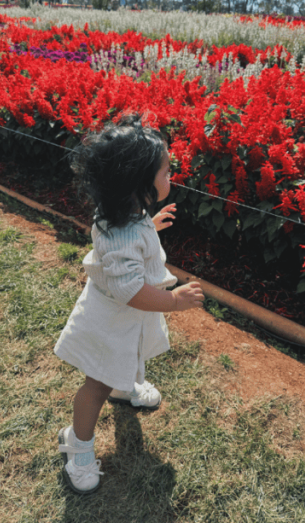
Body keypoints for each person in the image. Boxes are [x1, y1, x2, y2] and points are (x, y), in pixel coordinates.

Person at [53, 115, 205, 494]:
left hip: (126, 319)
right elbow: (128, 289)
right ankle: (77, 443)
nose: (172, 176)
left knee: (128, 356)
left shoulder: (125, 216)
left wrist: (148, 225)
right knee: (97, 383)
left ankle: (125, 387)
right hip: (114, 319)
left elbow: (126, 247)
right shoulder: (123, 231)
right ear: (139, 183)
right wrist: (173, 300)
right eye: (166, 171)